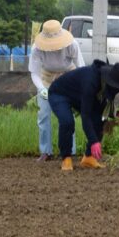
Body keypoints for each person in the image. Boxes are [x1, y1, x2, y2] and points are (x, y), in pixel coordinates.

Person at [48, 60, 119, 171]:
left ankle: (88, 158)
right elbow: (86, 115)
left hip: (78, 95)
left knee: (101, 119)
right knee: (67, 122)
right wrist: (94, 141)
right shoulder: (90, 82)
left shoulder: (108, 82)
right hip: (59, 93)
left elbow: (104, 104)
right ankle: (66, 158)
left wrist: (115, 113)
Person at [29, 19, 84, 161]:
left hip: (68, 79)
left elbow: (81, 68)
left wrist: (79, 87)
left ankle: (68, 151)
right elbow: (34, 72)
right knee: (44, 115)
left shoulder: (71, 44)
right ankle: (45, 151)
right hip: (46, 79)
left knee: (66, 117)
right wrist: (41, 89)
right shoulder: (37, 48)